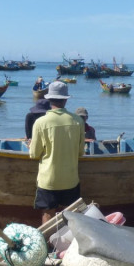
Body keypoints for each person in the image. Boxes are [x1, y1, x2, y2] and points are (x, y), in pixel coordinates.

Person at [29, 81, 85, 225]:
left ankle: (48, 245)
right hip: (71, 179)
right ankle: (69, 245)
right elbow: (80, 153)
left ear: (49, 98)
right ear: (66, 99)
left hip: (49, 180)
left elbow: (34, 154)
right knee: (72, 215)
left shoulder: (41, 122)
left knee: (48, 213)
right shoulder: (78, 121)